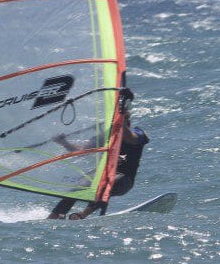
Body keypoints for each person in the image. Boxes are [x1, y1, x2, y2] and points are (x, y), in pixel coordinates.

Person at [47, 87, 149, 220]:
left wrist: (121, 116)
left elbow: (129, 138)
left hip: (124, 179)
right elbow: (81, 152)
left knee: (107, 183)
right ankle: (55, 216)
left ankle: (81, 215)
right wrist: (64, 142)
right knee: (77, 187)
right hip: (102, 173)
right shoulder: (105, 136)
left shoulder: (139, 133)